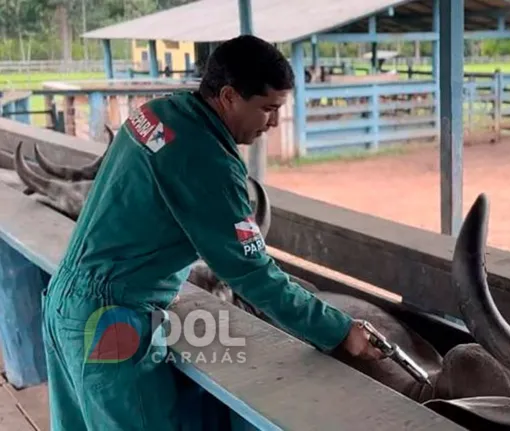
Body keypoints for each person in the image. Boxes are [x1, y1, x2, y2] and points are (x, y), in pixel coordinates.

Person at [41, 35, 383, 431]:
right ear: (229, 96)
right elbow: (253, 274)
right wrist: (340, 331)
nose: (272, 123)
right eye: (267, 109)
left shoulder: (156, 112)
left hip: (65, 301)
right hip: (113, 320)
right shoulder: (209, 163)